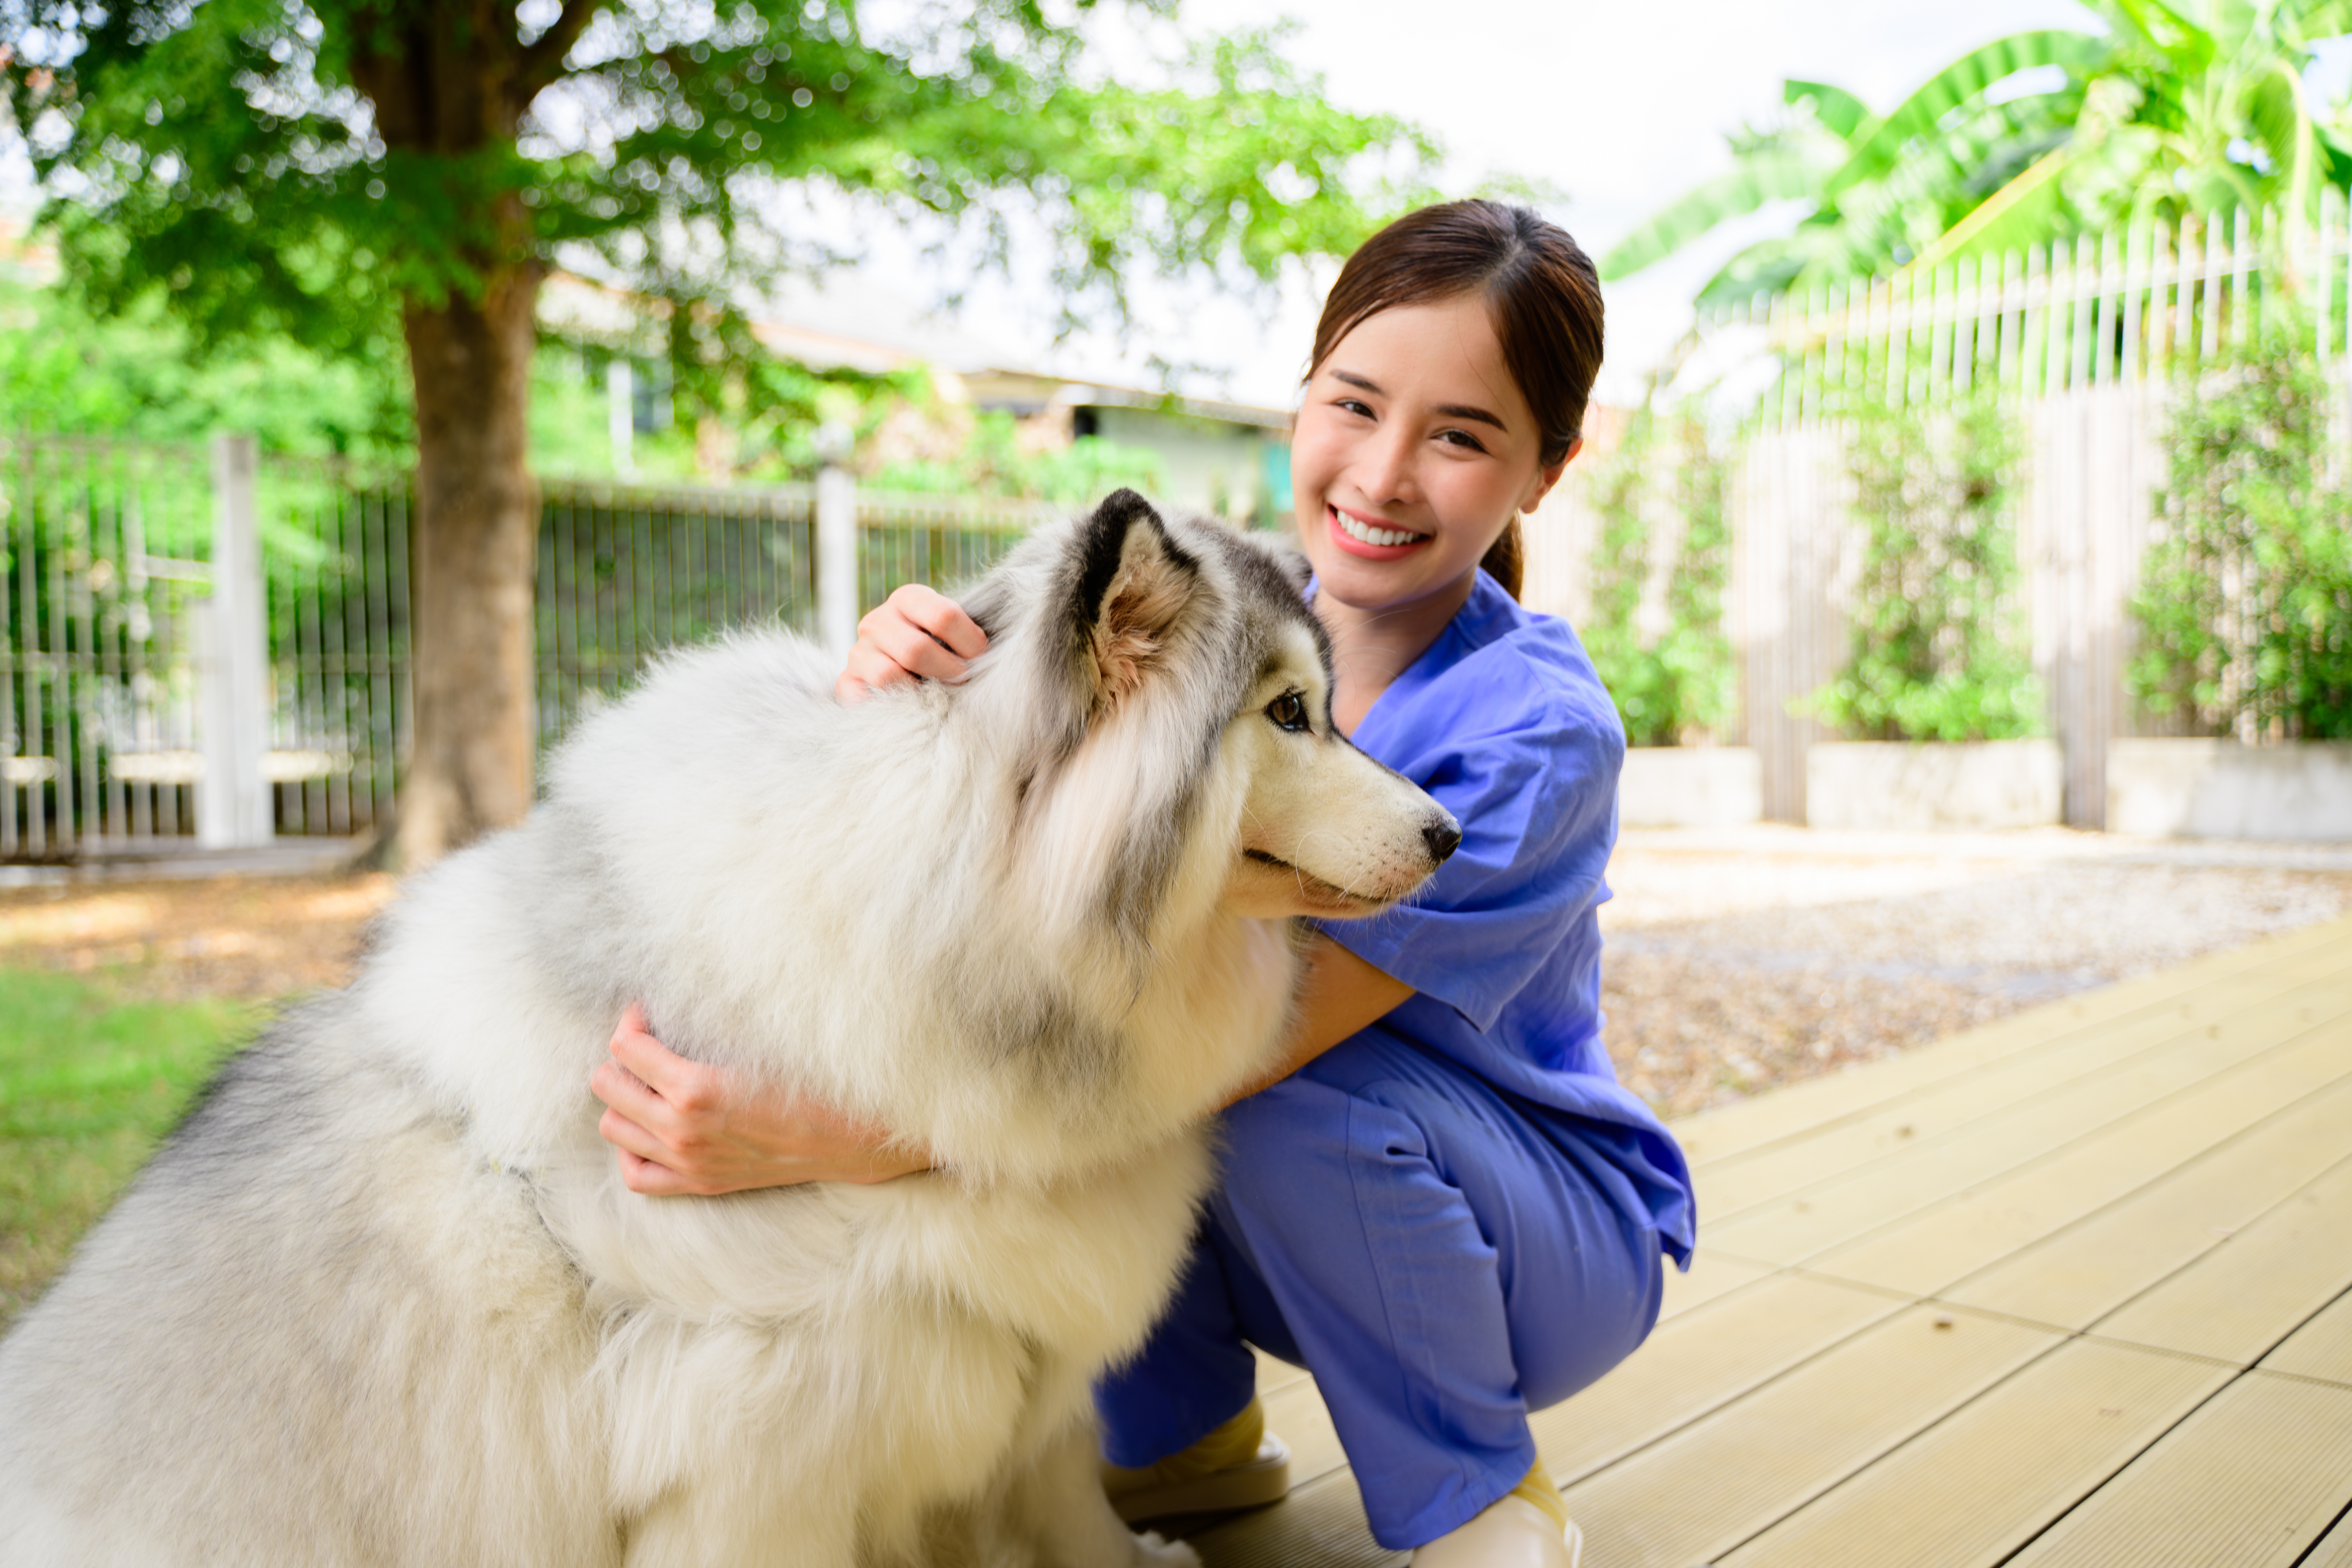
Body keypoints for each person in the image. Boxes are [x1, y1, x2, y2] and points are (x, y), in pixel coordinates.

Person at [588, 199, 1696, 1568]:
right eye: (1353, 403)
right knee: (1117, 1011)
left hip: (1533, 1241)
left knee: (1233, 1065)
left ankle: (1472, 1492)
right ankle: (1180, 1441)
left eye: (1461, 435)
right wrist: (912, 680)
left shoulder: (1531, 732)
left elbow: (1246, 1051)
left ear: (1546, 468)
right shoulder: (1220, 598)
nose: (1385, 473)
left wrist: (828, 1133)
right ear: (1299, 398)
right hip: (1310, 1221)